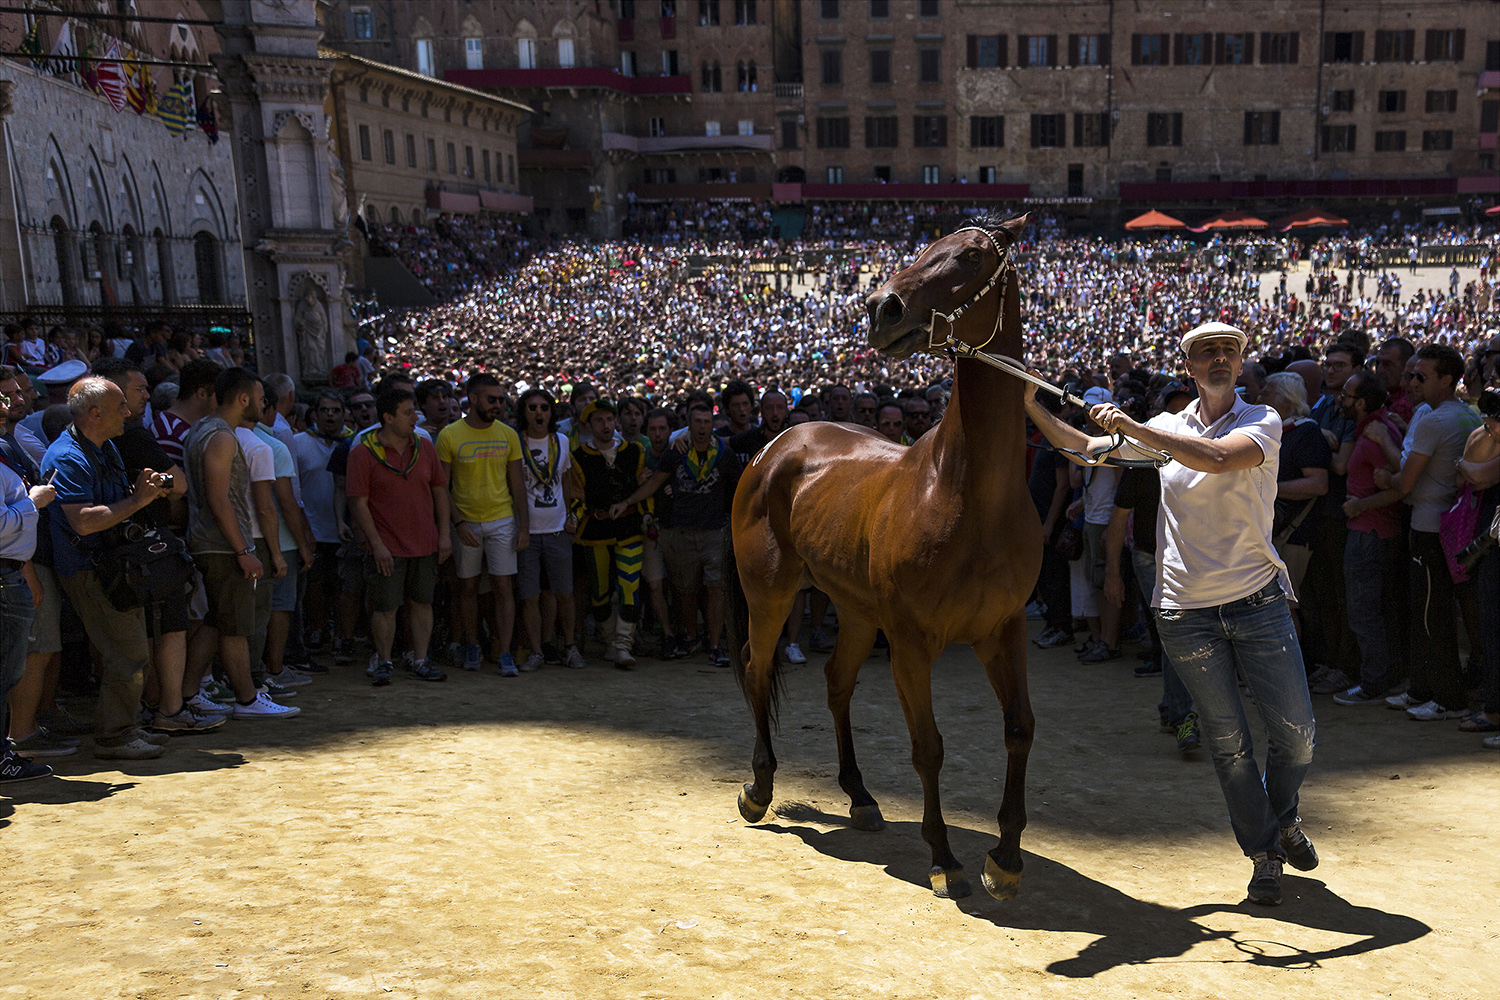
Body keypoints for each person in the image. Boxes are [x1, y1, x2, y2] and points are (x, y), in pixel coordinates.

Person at [1024, 321, 1318, 907]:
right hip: (1184, 610)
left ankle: (1281, 816)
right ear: (1189, 365)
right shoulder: (1163, 429)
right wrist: (1031, 405)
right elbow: (1084, 449)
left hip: (1257, 600)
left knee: (1298, 734)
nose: (1219, 359)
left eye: (1229, 351)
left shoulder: (1262, 421)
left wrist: (1132, 427)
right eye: (1206, 352)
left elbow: (1214, 459)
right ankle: (1264, 851)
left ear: (1240, 365)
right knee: (1229, 742)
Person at [41, 378, 177, 758]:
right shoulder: (69, 457)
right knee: (127, 653)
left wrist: (141, 492)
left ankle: (125, 727)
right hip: (88, 568)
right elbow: (82, 521)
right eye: (120, 407)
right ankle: (115, 736)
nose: (129, 413)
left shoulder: (103, 448)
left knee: (131, 649)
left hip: (111, 566)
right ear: (95, 414)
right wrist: (137, 499)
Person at [181, 368, 298, 721]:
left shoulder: (203, 430)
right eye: (261, 399)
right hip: (222, 546)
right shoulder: (221, 437)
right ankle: (247, 699)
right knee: (234, 627)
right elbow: (220, 501)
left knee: (217, 621)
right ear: (243, 399)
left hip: (212, 543)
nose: (264, 406)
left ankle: (188, 692)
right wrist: (244, 551)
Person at [1374, 344, 1471, 721]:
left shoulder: (1433, 419)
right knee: (1427, 612)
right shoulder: (1462, 414)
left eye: (1421, 376)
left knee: (1432, 615)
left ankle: (1448, 699)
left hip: (1429, 525)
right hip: (1443, 522)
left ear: (1446, 380)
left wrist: (1386, 477)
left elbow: (1405, 482)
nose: (1411, 382)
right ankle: (1422, 689)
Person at [347, 387, 451, 685]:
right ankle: (384, 661)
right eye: (408, 412)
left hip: (424, 542)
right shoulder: (363, 452)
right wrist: (377, 545)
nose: (415, 417)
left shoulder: (425, 446)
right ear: (388, 417)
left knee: (422, 602)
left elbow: (439, 491)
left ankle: (420, 659)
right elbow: (357, 502)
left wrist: (443, 534)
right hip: (387, 546)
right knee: (385, 607)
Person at [627, 402, 742, 668]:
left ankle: (714, 644)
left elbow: (740, 486)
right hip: (681, 531)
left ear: (713, 425)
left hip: (715, 532)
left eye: (706, 422)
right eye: (697, 422)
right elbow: (655, 482)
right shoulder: (676, 452)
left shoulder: (724, 454)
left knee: (716, 589)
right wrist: (629, 501)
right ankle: (691, 636)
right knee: (685, 591)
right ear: (688, 425)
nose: (702, 427)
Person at [437, 373, 528, 675]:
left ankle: (503, 652)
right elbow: (441, 486)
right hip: (466, 522)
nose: (498, 405)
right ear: (472, 399)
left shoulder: (509, 434)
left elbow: (517, 485)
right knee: (468, 588)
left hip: (502, 520)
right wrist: (459, 523)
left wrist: (523, 526)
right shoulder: (449, 435)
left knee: (504, 587)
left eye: (502, 400)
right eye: (492, 399)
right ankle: (472, 643)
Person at [1332, 371, 1406, 705]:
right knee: (1374, 610)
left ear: (1361, 403)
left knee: (1364, 611)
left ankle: (1374, 682)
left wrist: (1359, 505)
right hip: (1374, 532)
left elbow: (1399, 486)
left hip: (1369, 533)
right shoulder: (1376, 428)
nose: (1340, 400)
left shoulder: (1376, 435)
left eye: (1346, 396)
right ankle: (1382, 677)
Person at [566, 400, 650, 668]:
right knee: (600, 591)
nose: (605, 425)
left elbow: (643, 486)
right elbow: (576, 497)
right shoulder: (578, 457)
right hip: (595, 530)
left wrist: (647, 512)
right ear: (589, 426)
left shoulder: (634, 452)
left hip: (629, 527)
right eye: (598, 421)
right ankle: (611, 641)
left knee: (629, 584)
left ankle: (623, 644)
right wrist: (574, 519)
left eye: (609, 419)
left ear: (616, 422)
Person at [514, 388, 585, 672]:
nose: (538, 413)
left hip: (557, 530)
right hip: (526, 532)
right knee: (530, 596)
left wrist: (571, 514)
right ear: (523, 413)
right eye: (532, 408)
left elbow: (566, 480)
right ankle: (536, 651)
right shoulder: (515, 442)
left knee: (564, 593)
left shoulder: (562, 441)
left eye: (544, 407)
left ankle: (570, 646)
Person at [0, 456, 54, 782]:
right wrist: (32, 501)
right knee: (4, 676)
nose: (11, 402)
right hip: (4, 579)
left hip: (9, 576)